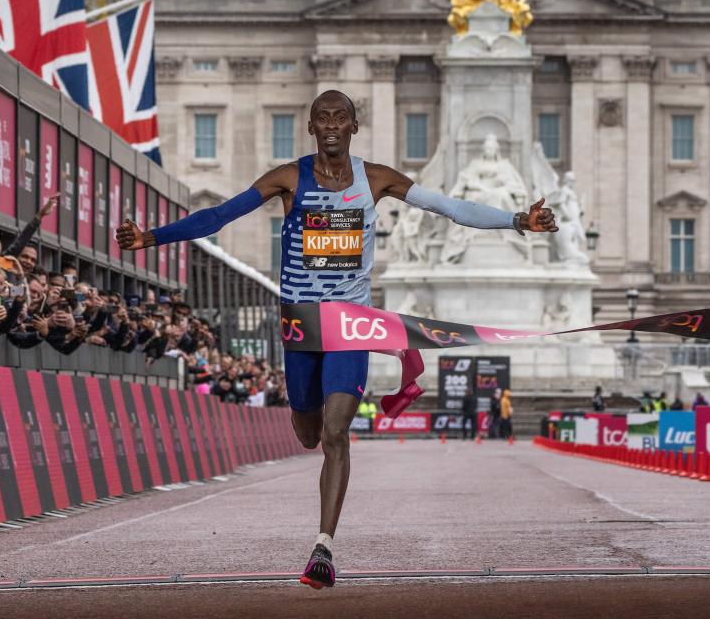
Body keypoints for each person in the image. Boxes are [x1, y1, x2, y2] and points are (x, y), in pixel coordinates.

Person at [114, 89, 558, 588]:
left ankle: (323, 547)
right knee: (307, 431)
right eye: (321, 118)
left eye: (339, 117)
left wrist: (517, 219)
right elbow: (220, 215)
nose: (330, 125)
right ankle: (310, 438)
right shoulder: (289, 178)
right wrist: (153, 236)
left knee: (334, 433)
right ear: (311, 127)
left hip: (351, 323)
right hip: (302, 323)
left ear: (353, 126)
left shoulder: (377, 179)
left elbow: (448, 207)